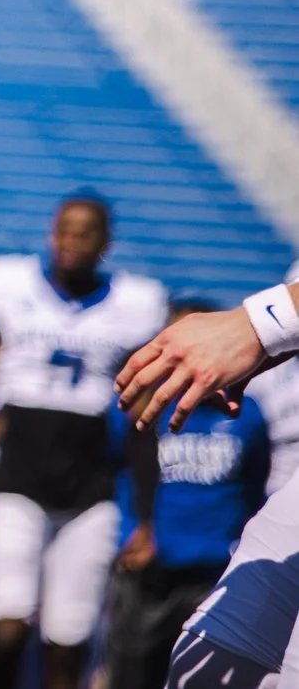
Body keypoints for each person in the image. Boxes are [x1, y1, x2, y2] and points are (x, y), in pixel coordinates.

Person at [0, 194, 168, 689]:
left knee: (68, 642)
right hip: (16, 482)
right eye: (63, 230)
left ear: (106, 242)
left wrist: (146, 514)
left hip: (89, 492)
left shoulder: (136, 304)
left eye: (84, 232)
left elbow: (142, 421)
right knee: (6, 628)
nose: (71, 242)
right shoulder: (6, 285)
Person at [114, 276, 299, 689]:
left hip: (213, 557)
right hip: (158, 562)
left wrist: (258, 324)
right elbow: (120, 472)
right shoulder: (146, 409)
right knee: (197, 668)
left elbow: (253, 481)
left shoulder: (248, 415)